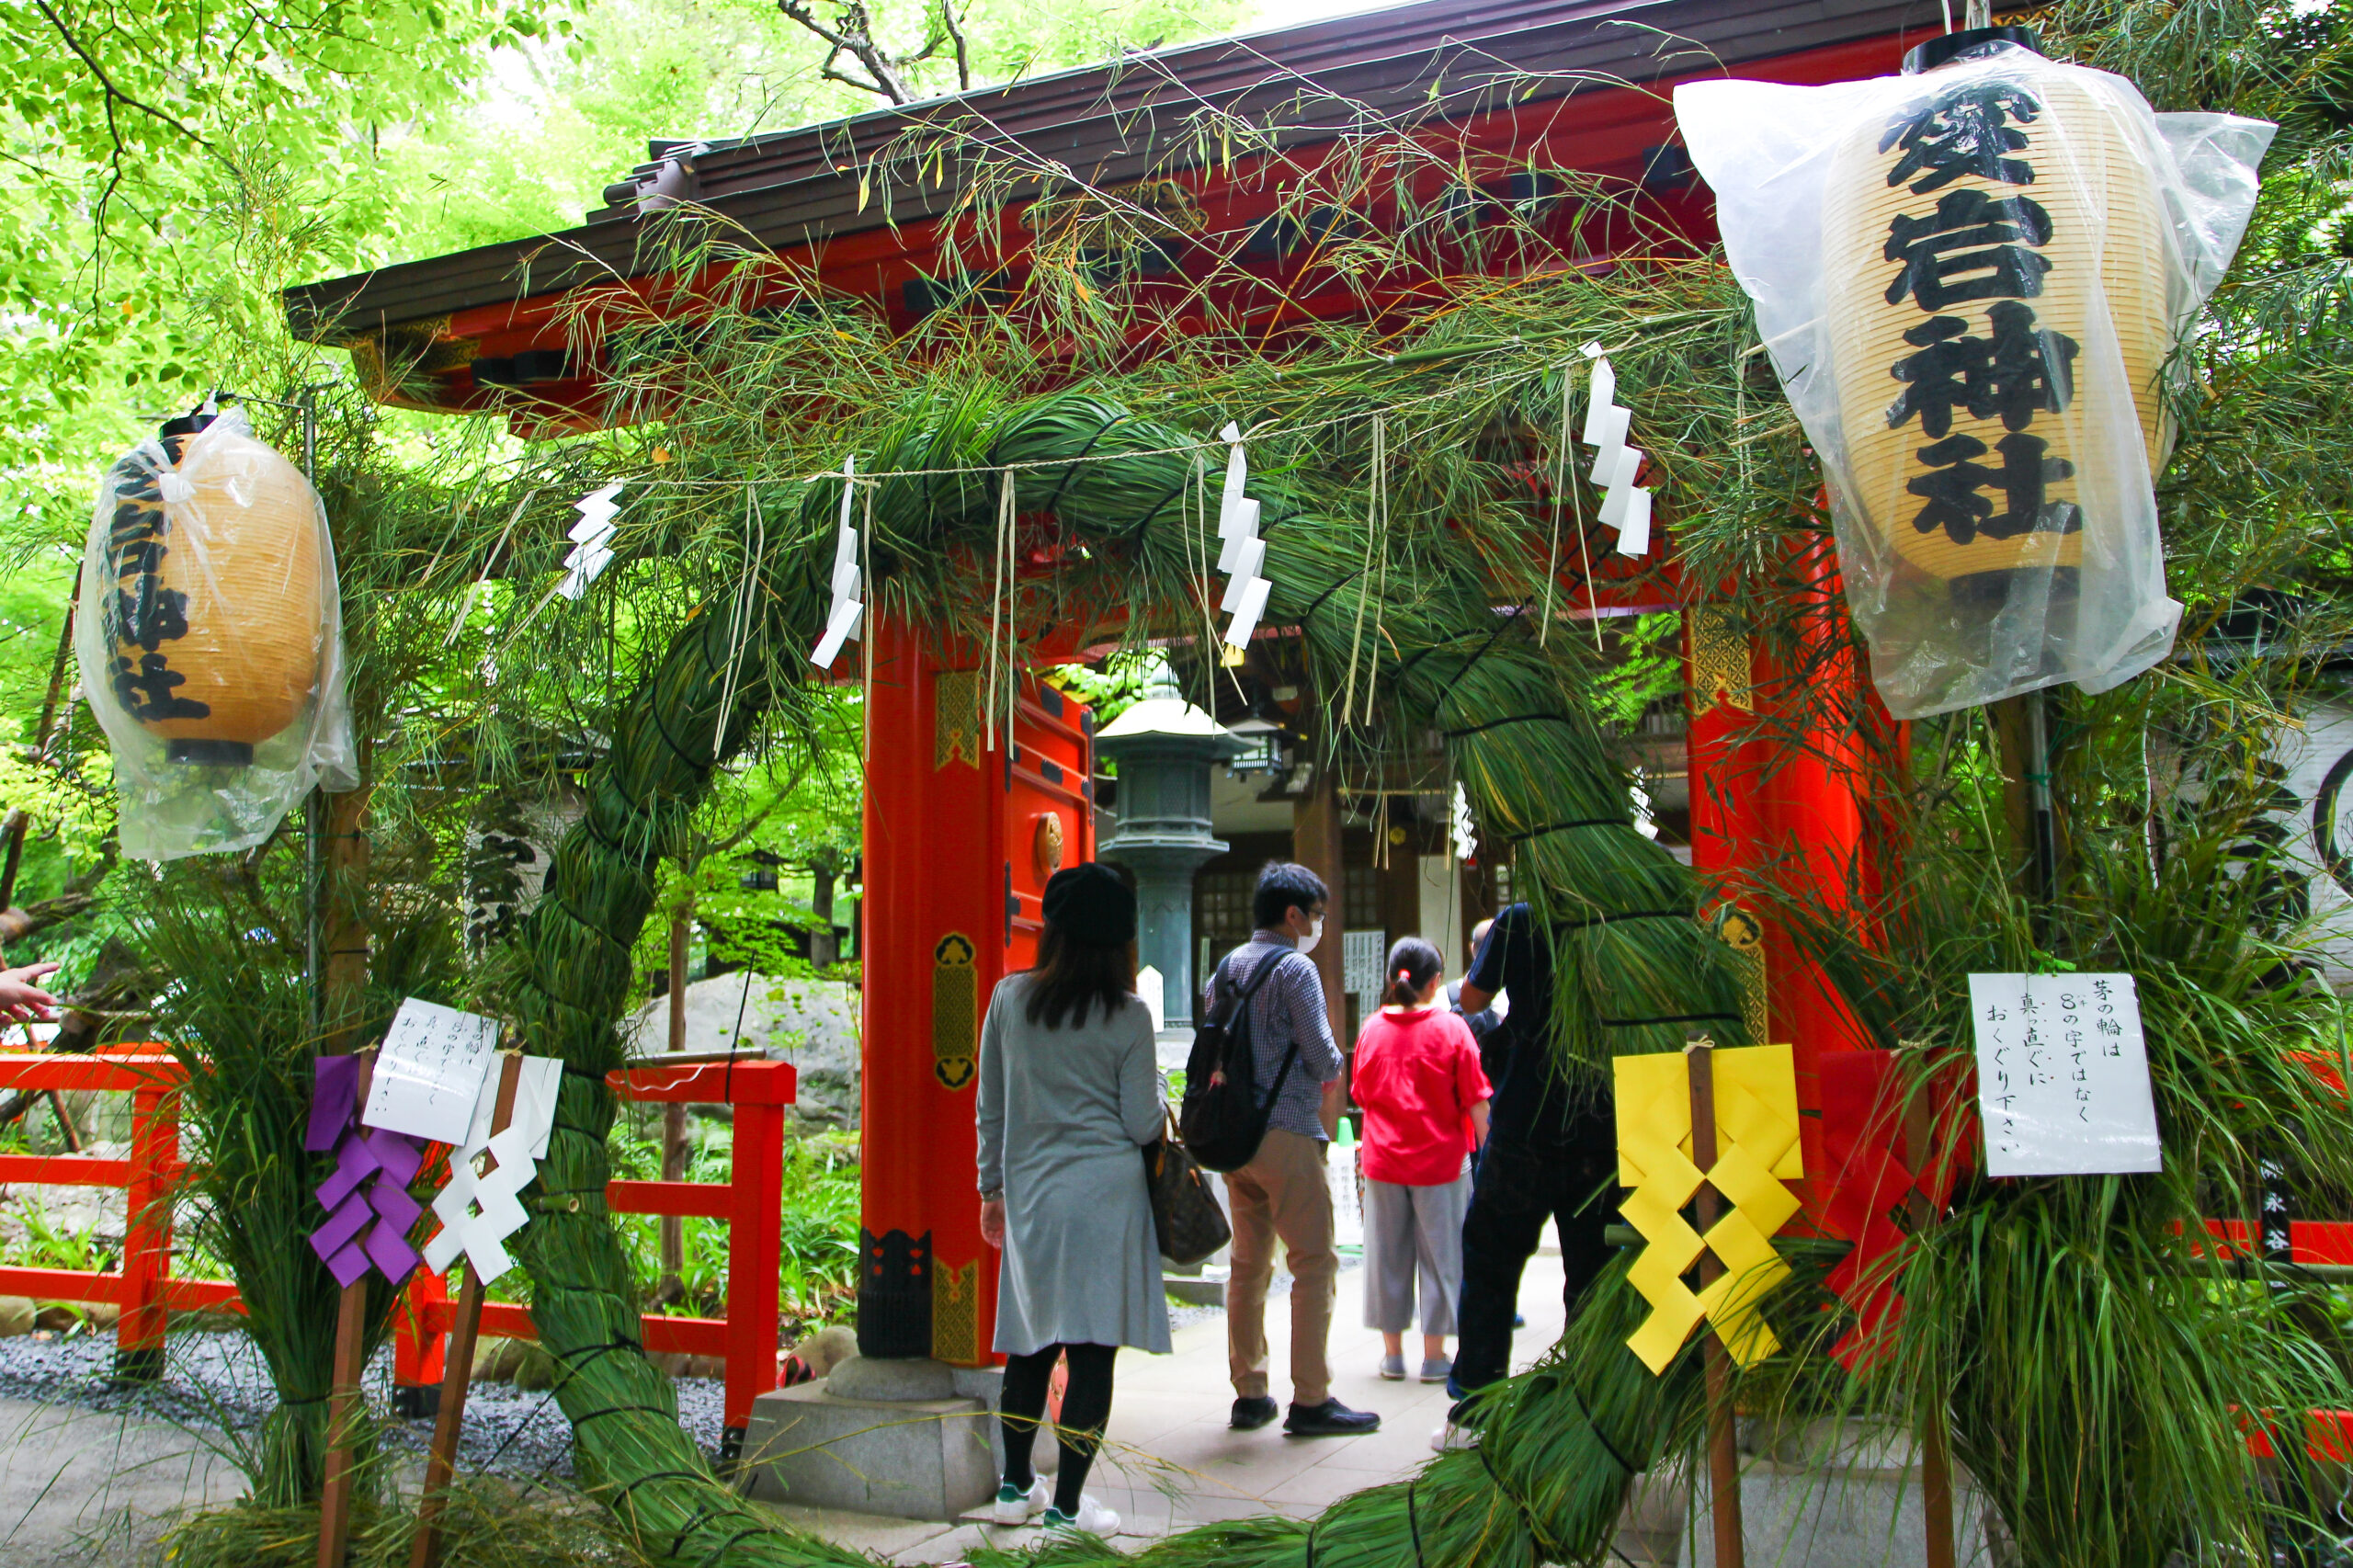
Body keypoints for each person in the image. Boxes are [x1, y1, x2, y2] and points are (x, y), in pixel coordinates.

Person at [976, 862, 1168, 1536]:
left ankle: (1012, 1485)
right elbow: (1144, 1124)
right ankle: (1066, 1508)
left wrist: (990, 1190)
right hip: (1107, 1199)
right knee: (1091, 1353)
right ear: (1122, 942)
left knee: (1029, 1346)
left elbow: (990, 1108)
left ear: (1051, 932)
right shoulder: (1128, 1014)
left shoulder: (1008, 999)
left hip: (1034, 1195)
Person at [1204, 861, 1381, 1437]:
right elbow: (1326, 1056)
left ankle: (1250, 1394)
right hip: (1286, 1132)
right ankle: (1311, 1398)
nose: (1320, 925)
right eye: (1318, 916)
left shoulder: (1225, 968)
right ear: (1293, 915)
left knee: (1247, 1266)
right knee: (1312, 1263)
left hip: (1235, 1139)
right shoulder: (1295, 969)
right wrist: (1331, 1067)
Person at [1438, 902, 1617, 1449]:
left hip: (1525, 1116)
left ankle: (1475, 1401)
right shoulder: (1614, 916)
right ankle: (1588, 1400)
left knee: (1490, 1260)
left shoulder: (1520, 919)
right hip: (1601, 1115)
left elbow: (1471, 999)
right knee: (1593, 1267)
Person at [1351, 937, 1489, 1384]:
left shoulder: (1371, 1029)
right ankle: (1434, 1356)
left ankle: (1392, 1355)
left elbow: (1361, 1094)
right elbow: (1476, 1100)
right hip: (1442, 1162)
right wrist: (1491, 1158)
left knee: (1387, 1256)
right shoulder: (1453, 1030)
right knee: (1443, 1258)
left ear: (1393, 980)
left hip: (1384, 1162)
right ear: (1436, 983)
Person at [1445, 918, 1506, 1089]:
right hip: (1499, 1093)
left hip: (1461, 1093)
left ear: (1472, 948)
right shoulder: (1514, 998)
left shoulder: (1445, 994)